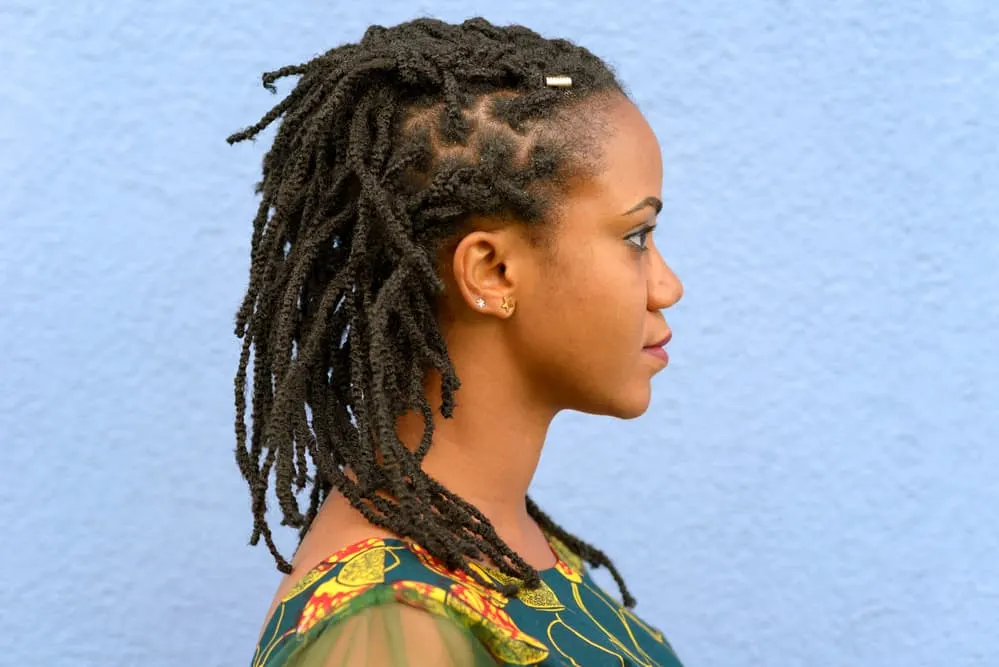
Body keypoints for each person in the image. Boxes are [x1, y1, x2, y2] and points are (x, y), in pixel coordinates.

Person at [227, 16, 685, 666]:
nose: (666, 285)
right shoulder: (394, 630)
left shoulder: (495, 534)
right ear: (491, 272)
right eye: (636, 237)